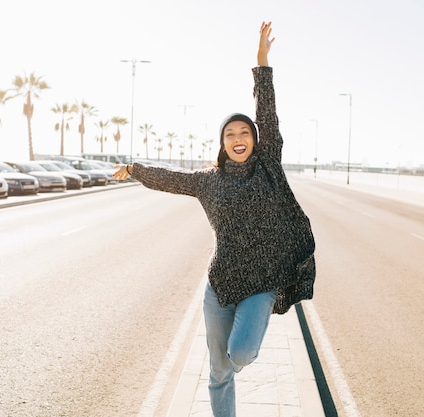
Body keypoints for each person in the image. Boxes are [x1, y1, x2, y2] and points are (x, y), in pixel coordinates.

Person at [113, 21, 315, 417]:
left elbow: (267, 111)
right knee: (219, 372)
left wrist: (261, 62)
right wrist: (136, 169)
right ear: (222, 143)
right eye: (230, 134)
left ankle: (238, 354)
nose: (238, 137)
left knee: (239, 353)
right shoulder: (208, 181)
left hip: (263, 282)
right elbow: (171, 179)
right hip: (220, 283)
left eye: (245, 132)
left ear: (256, 140)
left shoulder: (269, 167)